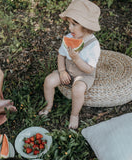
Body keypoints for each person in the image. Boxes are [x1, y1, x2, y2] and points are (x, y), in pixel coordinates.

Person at [39, 0, 101, 129]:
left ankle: (74, 114)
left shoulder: (93, 46)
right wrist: (62, 71)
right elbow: (61, 55)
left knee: (77, 89)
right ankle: (48, 106)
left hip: (84, 75)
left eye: (74, 24)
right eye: (69, 23)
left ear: (86, 26)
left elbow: (89, 70)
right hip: (68, 69)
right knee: (49, 81)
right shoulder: (69, 37)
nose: (70, 28)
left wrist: (77, 59)